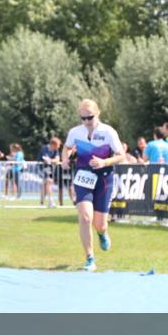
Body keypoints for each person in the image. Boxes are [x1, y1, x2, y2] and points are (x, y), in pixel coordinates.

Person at [61, 99, 125, 272]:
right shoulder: (75, 132)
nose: (87, 122)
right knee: (85, 217)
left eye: (90, 117)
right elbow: (66, 148)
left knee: (99, 224)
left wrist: (104, 162)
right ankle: (89, 258)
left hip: (104, 178)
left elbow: (121, 156)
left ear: (98, 114)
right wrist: (65, 159)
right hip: (83, 177)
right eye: (83, 118)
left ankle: (102, 233)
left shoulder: (108, 132)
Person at [39, 136, 61, 208]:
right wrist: (52, 160)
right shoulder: (44, 148)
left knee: (46, 185)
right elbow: (45, 159)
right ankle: (51, 201)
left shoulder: (56, 151)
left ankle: (42, 202)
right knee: (48, 182)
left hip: (50, 168)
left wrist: (51, 160)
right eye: (57, 146)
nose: (58, 147)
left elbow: (57, 159)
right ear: (53, 144)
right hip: (42, 168)